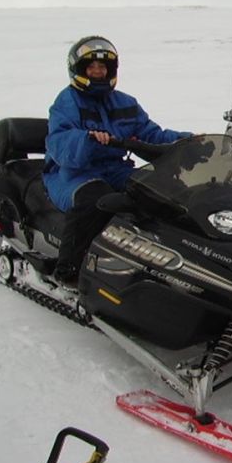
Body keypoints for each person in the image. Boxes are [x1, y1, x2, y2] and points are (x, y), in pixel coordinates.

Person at [43, 35, 191, 283]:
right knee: (96, 200)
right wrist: (86, 139)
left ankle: (161, 259)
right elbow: (59, 141)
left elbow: (153, 135)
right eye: (91, 67)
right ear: (79, 70)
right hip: (71, 172)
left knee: (159, 192)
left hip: (115, 169)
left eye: (103, 67)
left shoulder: (125, 102)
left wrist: (189, 141)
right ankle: (68, 269)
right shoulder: (67, 102)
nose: (98, 72)